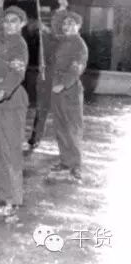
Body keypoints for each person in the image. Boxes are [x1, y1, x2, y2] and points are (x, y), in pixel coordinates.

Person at [0, 0, 29, 216]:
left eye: (14, 21)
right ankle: (4, 194)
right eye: (7, 21)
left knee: (10, 151)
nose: (9, 25)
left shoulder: (18, 44)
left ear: (22, 24)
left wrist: (5, 90)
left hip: (10, 101)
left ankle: (14, 198)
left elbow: (17, 72)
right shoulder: (4, 42)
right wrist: (0, 5)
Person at [48, 11, 88, 182]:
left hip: (69, 89)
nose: (66, 26)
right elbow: (53, 28)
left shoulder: (79, 45)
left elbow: (76, 68)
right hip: (57, 87)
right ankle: (65, 161)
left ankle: (76, 165)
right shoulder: (63, 41)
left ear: (78, 26)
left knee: (72, 128)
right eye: (65, 24)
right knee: (60, 127)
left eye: (71, 23)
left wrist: (64, 84)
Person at [25, 0, 69, 154]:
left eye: (59, 19)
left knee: (61, 111)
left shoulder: (64, 36)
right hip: (44, 76)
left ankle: (65, 143)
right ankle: (35, 138)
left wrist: (62, 9)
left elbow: (59, 37)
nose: (55, 22)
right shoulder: (45, 33)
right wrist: (40, 28)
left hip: (59, 77)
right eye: (54, 18)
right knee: (41, 108)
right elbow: (33, 30)